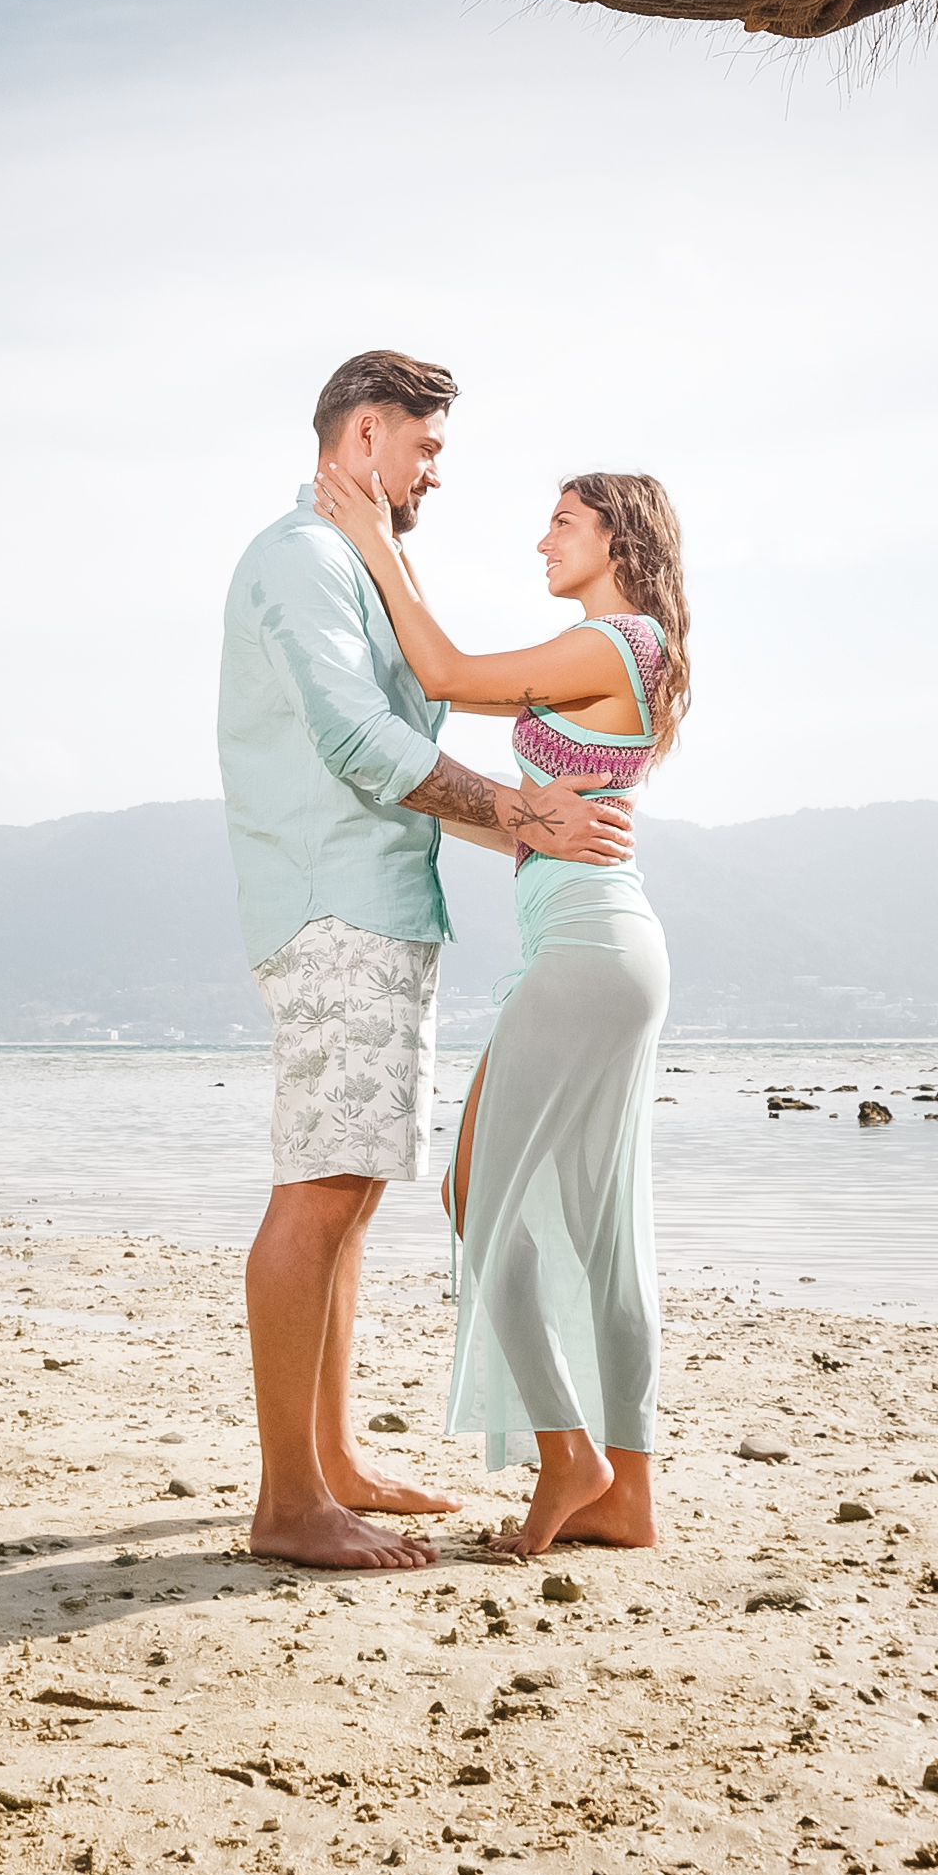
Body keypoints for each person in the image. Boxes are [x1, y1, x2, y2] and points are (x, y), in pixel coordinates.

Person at [218, 351, 635, 1572]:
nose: (435, 474)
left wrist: (525, 824)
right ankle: (290, 1502)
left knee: (351, 1192)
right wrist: (522, 810)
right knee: (321, 1188)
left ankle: (333, 1461)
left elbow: (404, 748)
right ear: (364, 436)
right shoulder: (302, 559)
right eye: (426, 447)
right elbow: (359, 741)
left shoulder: (353, 564)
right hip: (332, 905)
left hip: (382, 906)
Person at [315, 459, 693, 1561]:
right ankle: (626, 1494)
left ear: (620, 537)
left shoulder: (616, 643)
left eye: (564, 521)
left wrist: (376, 537)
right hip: (599, 948)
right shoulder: (624, 653)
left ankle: (569, 1453)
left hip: (586, 950)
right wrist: (471, 803)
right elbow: (522, 816)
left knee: (477, 1196)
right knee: (598, 1225)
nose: (543, 540)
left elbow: (442, 672)